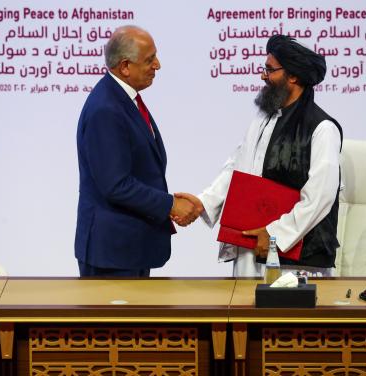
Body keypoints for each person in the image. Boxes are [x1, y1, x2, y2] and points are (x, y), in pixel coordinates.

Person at [178, 35, 343, 277]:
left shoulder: (322, 128)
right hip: (251, 246)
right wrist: (203, 202)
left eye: (270, 70)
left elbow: (320, 198)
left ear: (293, 76)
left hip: (297, 259)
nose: (263, 76)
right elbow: (238, 168)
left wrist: (275, 235)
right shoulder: (263, 118)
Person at [75, 25, 199, 277]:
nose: (158, 65)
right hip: (112, 254)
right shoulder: (106, 110)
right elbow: (116, 185)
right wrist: (170, 205)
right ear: (125, 67)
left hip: (129, 248)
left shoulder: (121, 99)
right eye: (149, 59)